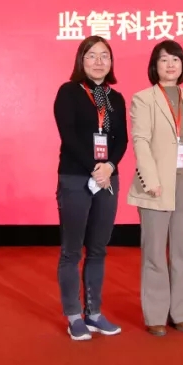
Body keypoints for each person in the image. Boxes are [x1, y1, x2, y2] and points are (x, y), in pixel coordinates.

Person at [53, 35, 129, 341]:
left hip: (108, 178)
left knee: (98, 249)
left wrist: (108, 166)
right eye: (92, 55)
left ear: (111, 62)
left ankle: (94, 313)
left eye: (104, 56)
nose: (99, 62)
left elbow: (121, 139)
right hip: (75, 177)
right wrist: (94, 168)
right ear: (81, 60)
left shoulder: (116, 98)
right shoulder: (69, 92)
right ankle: (74, 316)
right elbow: (68, 136)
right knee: (72, 250)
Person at [127, 40, 183, 336]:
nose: (170, 65)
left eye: (175, 59)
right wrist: (151, 179)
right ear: (154, 66)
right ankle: (156, 313)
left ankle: (179, 312)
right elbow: (140, 140)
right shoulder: (143, 98)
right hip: (156, 184)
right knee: (155, 251)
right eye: (164, 60)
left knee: (182, 250)